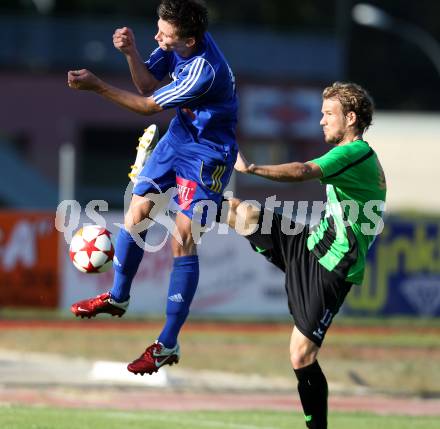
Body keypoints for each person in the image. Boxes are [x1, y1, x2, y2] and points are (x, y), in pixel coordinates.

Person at [67, 0, 238, 375]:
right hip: (179, 137)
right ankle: (118, 297)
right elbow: (147, 82)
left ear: (190, 40)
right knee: (138, 210)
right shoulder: (174, 45)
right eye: (158, 27)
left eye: (166, 32)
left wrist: (97, 87)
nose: (157, 35)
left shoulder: (203, 70)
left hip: (208, 153)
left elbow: (147, 106)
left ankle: (167, 343)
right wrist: (131, 53)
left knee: (182, 238)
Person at [224, 82, 386, 429]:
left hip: (333, 266)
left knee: (301, 355)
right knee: (244, 212)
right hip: (312, 243)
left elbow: (301, 171)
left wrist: (252, 169)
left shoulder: (353, 154)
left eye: (329, 114)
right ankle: (182, 190)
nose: (321, 121)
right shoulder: (354, 156)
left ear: (351, 118)